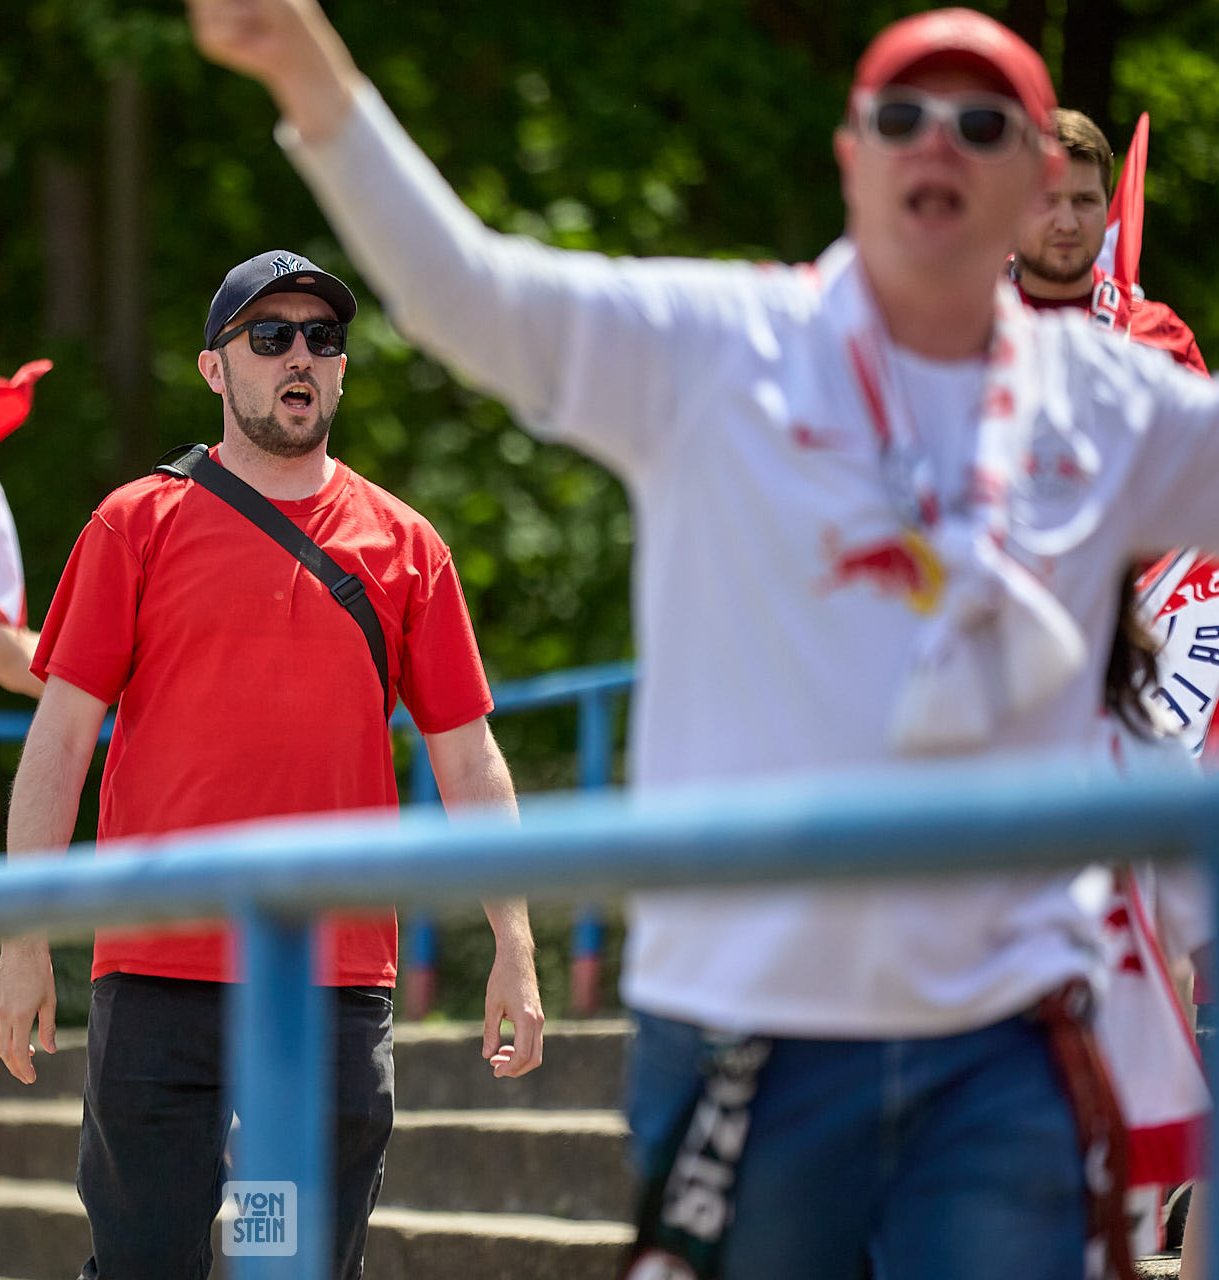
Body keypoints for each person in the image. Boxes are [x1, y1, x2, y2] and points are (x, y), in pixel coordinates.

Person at [188, 3, 1219, 1277]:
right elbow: (470, 290)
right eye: (902, 116)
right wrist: (305, 68)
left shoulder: (1111, 397)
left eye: (981, 122)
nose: (937, 145)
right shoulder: (727, 345)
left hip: (1003, 1032)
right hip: (755, 1019)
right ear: (852, 156)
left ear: (1036, 181)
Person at [0, 249, 543, 1280]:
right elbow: (59, 741)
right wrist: (24, 940)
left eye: (323, 338)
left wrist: (512, 937)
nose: (301, 355)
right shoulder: (133, 522)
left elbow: (468, 759)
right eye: (271, 335)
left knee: (290, 1267)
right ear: (215, 367)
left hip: (324, 986)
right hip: (158, 975)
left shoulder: (406, 544)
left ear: (340, 370)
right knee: (144, 1263)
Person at [1011, 107, 1205, 370]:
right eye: (1047, 201)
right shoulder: (956, 329)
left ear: (1107, 207)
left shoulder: (1164, 335)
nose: (1067, 224)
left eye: (1085, 201)